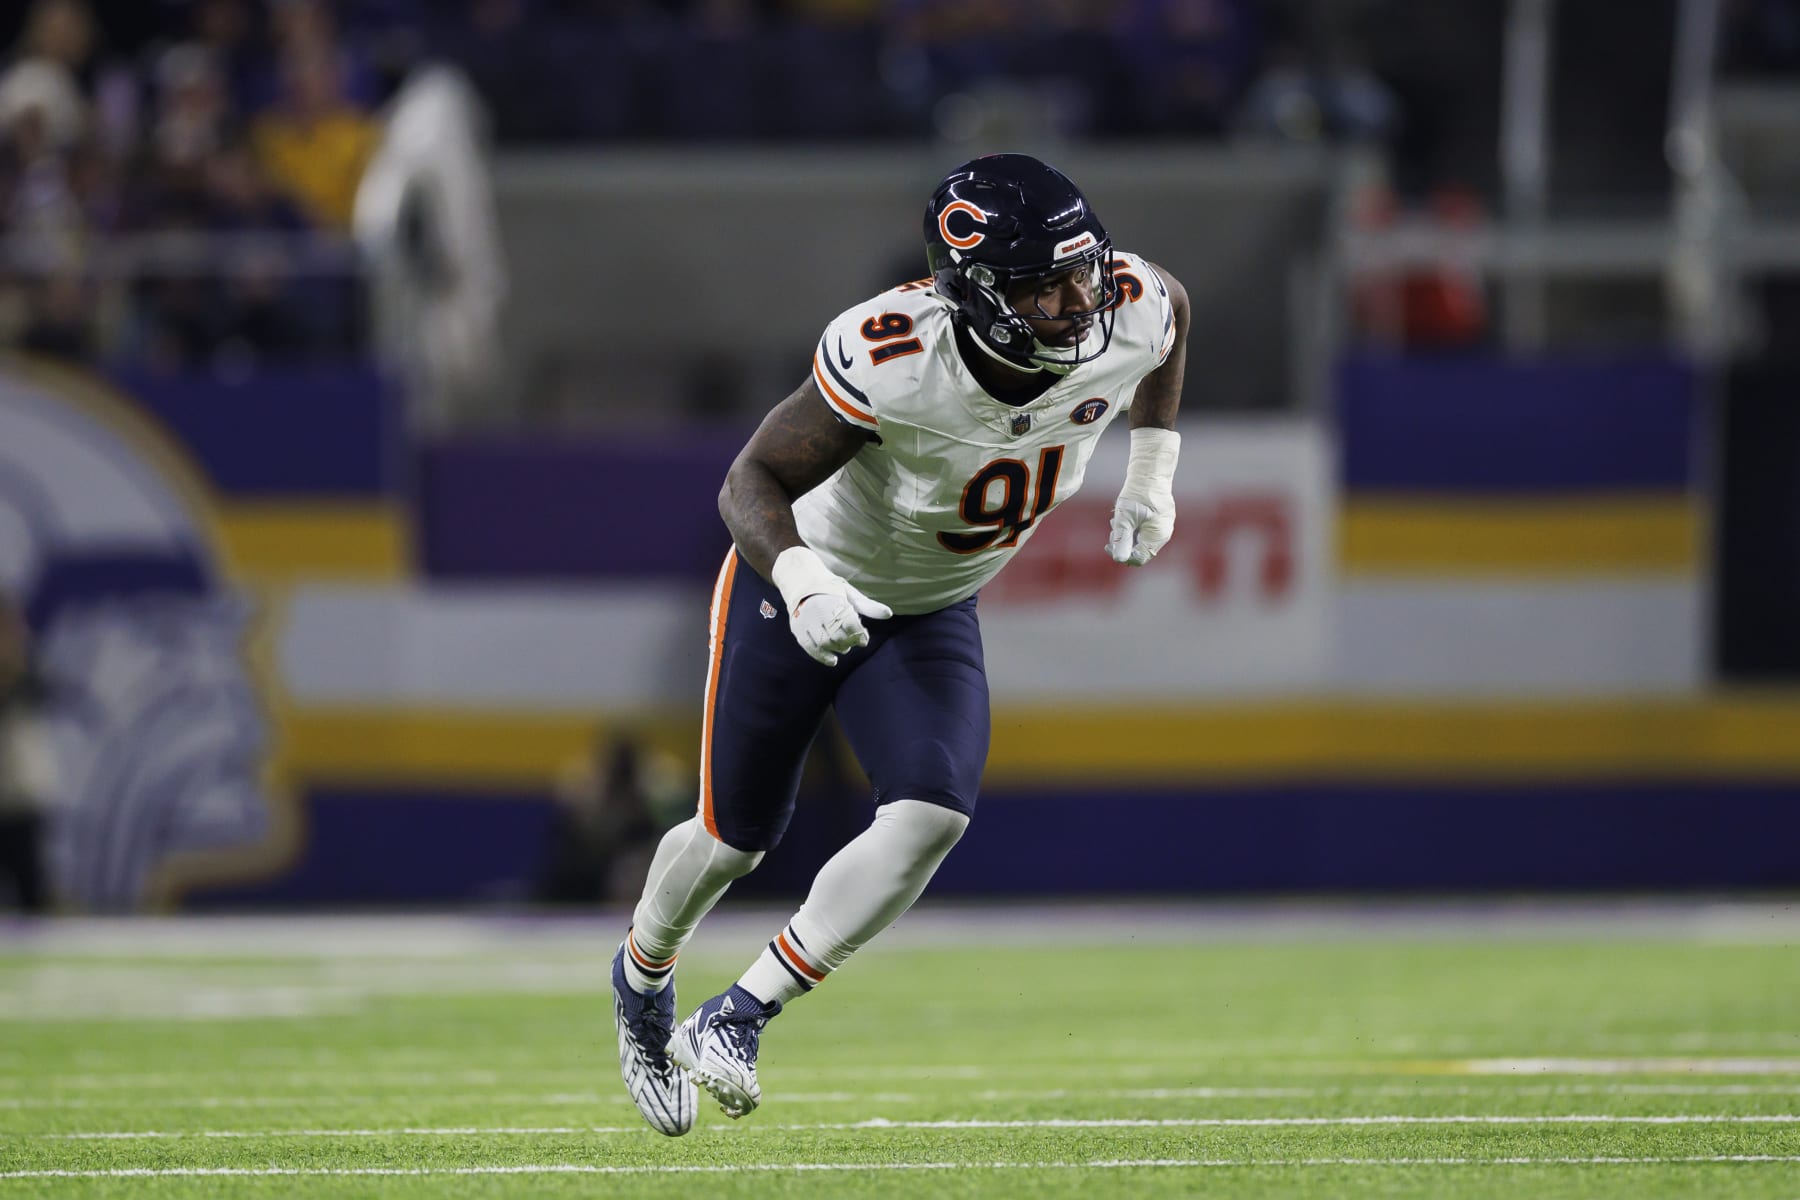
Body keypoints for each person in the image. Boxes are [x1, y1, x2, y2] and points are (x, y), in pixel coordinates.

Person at [610, 152, 1190, 1135]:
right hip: (803, 585)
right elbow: (749, 481)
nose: (1077, 302)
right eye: (1043, 287)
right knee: (731, 839)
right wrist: (800, 580)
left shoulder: (1125, 305)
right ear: (977, 294)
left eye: (1082, 273)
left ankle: (739, 1014)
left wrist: (1153, 471)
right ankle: (641, 978)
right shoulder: (894, 358)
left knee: (930, 815)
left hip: (932, 606)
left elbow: (1170, 309)